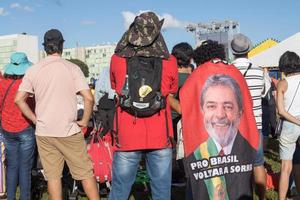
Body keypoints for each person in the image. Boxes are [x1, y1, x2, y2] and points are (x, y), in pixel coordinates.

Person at [14, 29, 100, 200]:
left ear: (45, 47)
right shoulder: (72, 68)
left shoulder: (34, 70)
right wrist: (83, 120)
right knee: (85, 172)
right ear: (62, 45)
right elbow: (89, 98)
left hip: (44, 131)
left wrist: (34, 119)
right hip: (68, 130)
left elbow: (19, 99)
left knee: (52, 176)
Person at [109, 11, 178, 200]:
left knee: (120, 189)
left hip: (127, 133)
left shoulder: (117, 59)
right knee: (162, 190)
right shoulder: (170, 61)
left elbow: (116, 87)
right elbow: (171, 91)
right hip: (159, 134)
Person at [231, 33, 266, 200]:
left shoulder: (228, 71)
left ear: (232, 51)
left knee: (237, 166)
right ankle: (262, 197)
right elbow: (264, 93)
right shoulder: (259, 71)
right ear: (249, 49)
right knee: (258, 164)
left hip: (235, 127)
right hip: (256, 125)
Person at [0, 52, 36, 200]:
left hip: (7, 128)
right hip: (26, 127)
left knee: (12, 166)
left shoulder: (1, 83)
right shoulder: (27, 85)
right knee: (25, 168)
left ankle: (10, 197)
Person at [276, 51, 300, 200]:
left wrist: (297, 122)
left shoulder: (282, 83)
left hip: (290, 126)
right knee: (298, 162)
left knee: (286, 168)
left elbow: (281, 111)